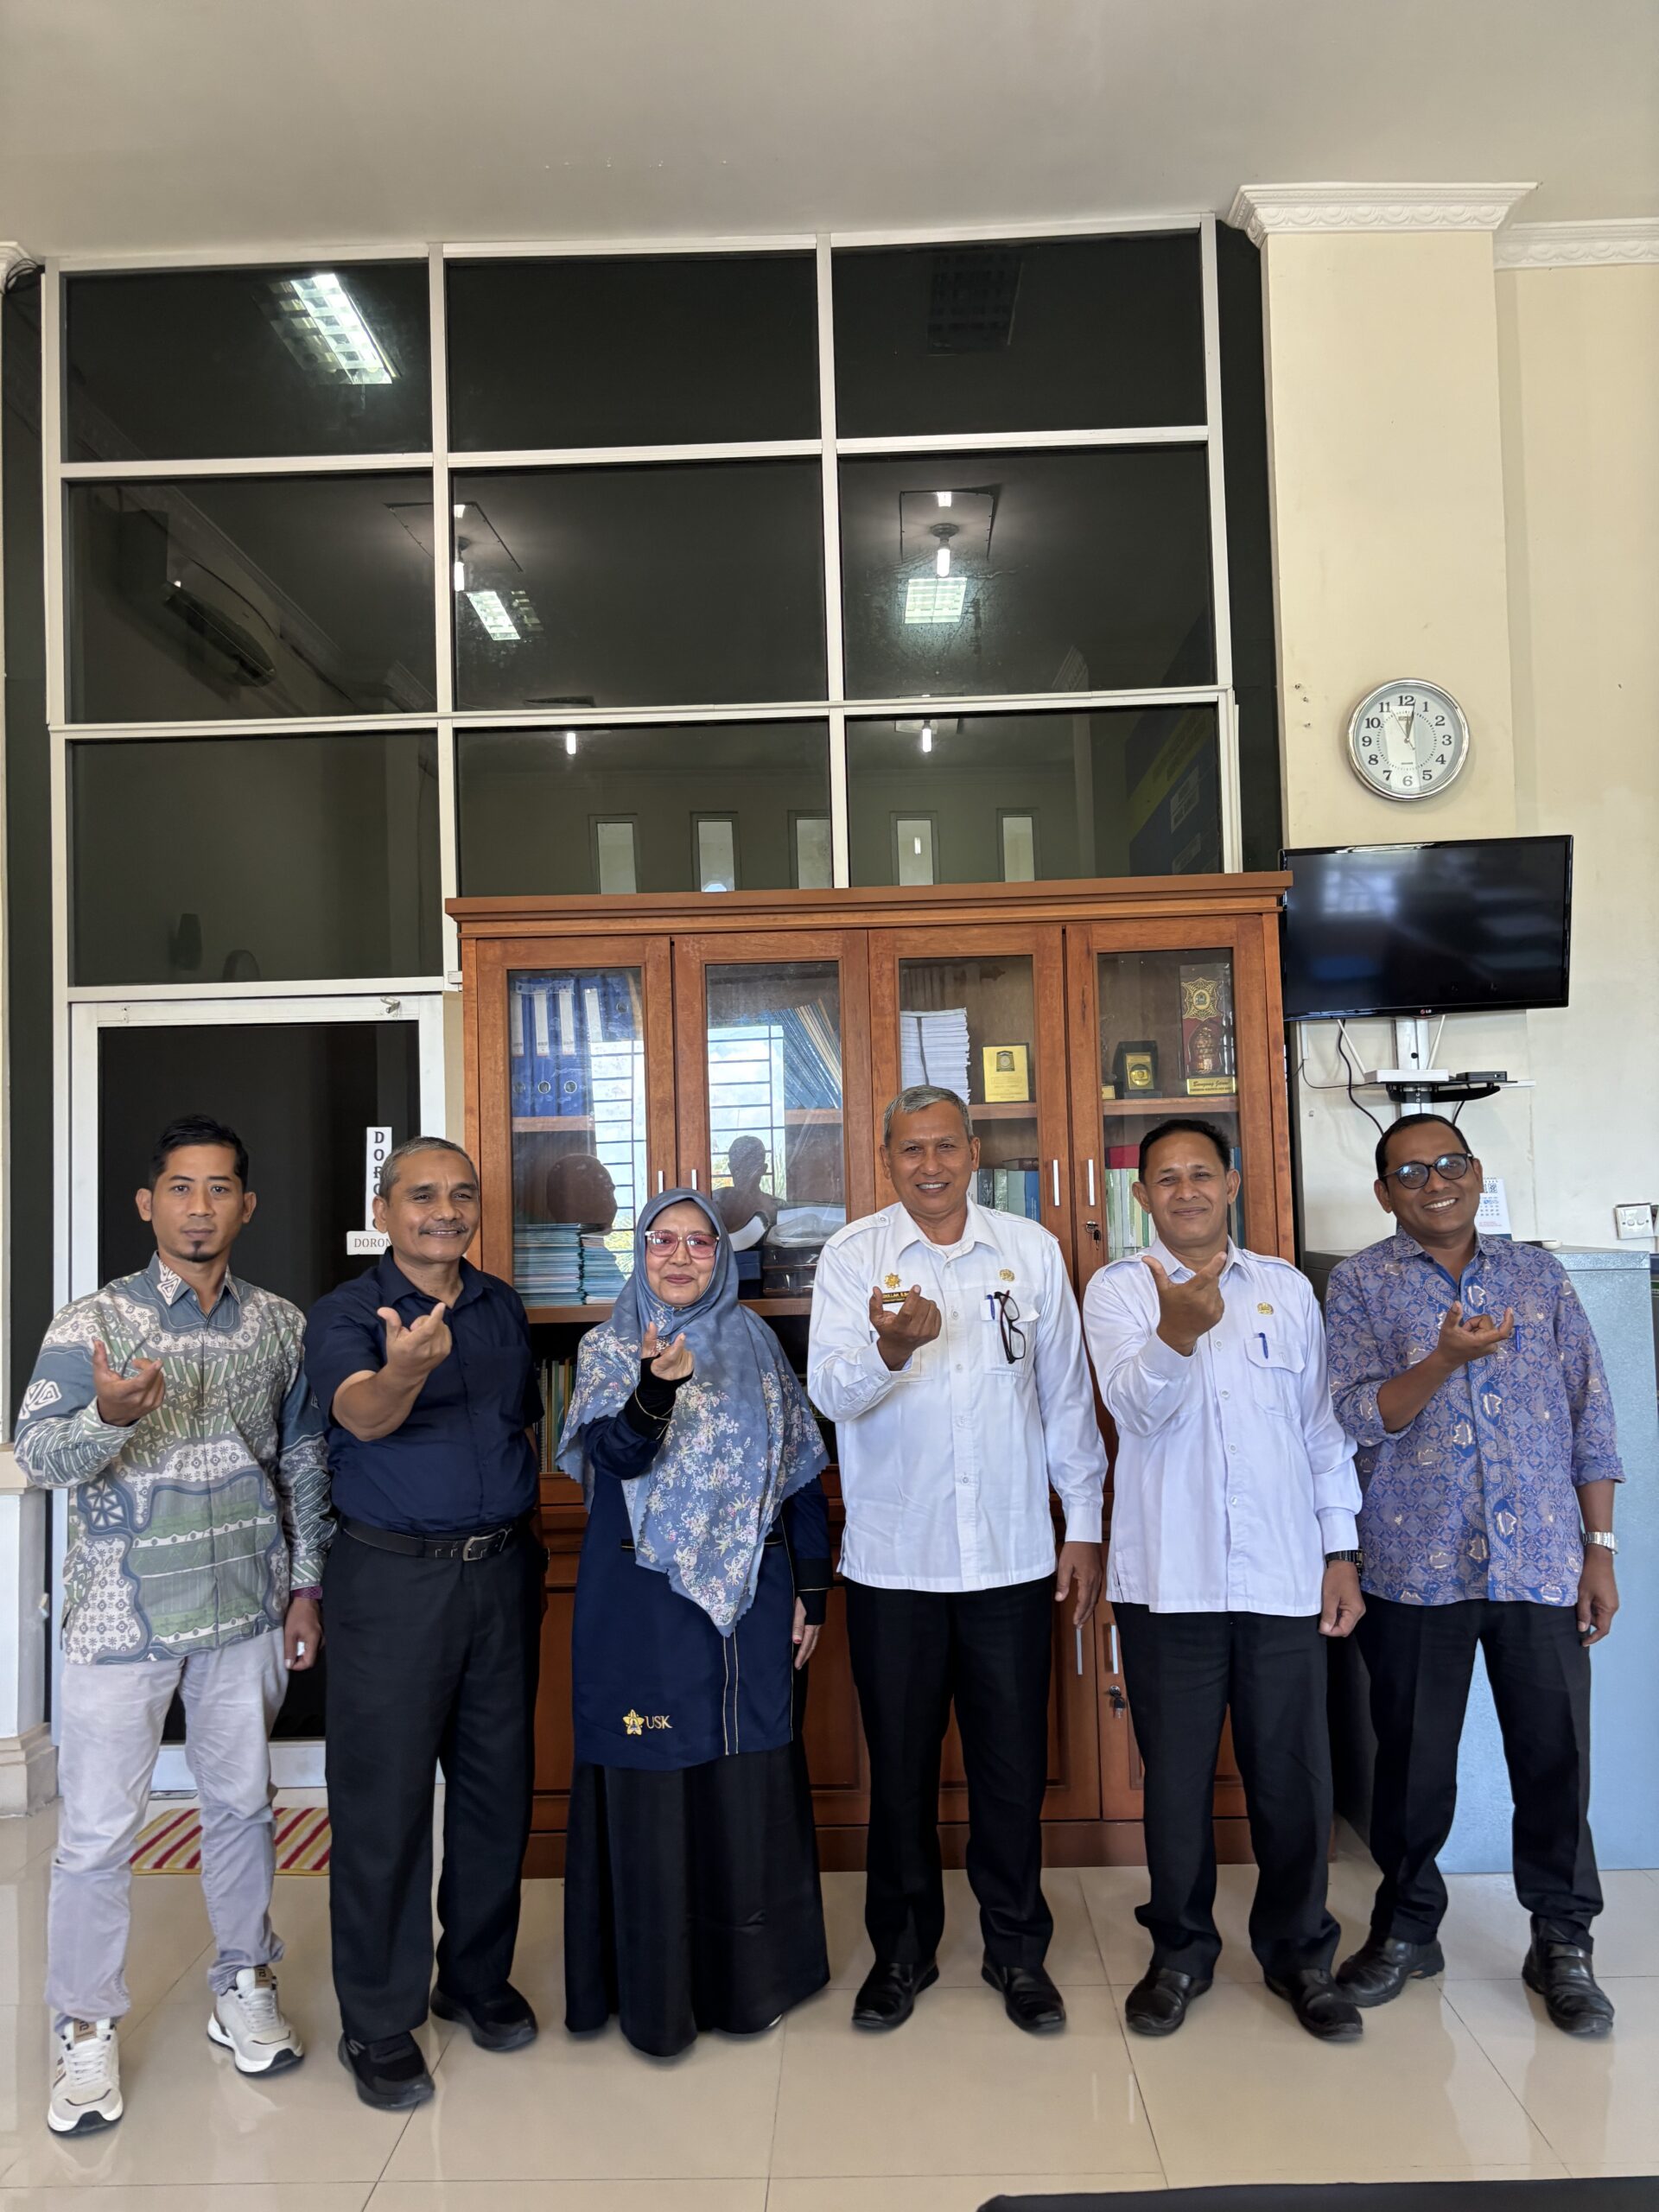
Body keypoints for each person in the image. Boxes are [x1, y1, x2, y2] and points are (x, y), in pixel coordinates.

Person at [16, 1115, 327, 2134]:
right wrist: (107, 1414)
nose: (201, 1207)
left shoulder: (279, 1324)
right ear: (147, 1203)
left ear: (247, 1204)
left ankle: (244, 1978)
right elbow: (40, 1458)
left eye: (220, 1187)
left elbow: (304, 1462)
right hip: (119, 1617)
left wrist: (306, 1586)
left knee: (240, 1807)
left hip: (244, 1606)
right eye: (181, 1188)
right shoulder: (90, 1324)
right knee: (97, 1833)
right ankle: (84, 2024)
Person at [807, 1085, 1106, 2036]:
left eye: (945, 1147)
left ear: (974, 1153)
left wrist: (1084, 1523)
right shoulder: (855, 1256)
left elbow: (1066, 1398)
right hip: (895, 1563)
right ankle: (902, 1953)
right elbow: (830, 1393)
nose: (929, 1166)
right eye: (911, 1150)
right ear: (886, 1159)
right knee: (899, 1774)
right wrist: (891, 1350)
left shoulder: (1030, 1251)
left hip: (1012, 1557)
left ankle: (1017, 1950)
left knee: (1010, 1771)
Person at [1325, 1114, 1624, 2036]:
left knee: (1554, 1758)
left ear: (1478, 1171)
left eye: (1450, 1163)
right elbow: (1357, 1416)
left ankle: (1562, 1940)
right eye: (1412, 1172)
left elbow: (1591, 1414)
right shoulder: (1360, 1283)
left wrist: (1600, 1549)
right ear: (1385, 1192)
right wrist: (1443, 1358)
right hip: (1413, 1564)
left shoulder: (1539, 1277)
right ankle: (1409, 1929)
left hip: (1541, 1561)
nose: (1436, 1182)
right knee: (1413, 1766)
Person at [1082, 1117, 1365, 2043]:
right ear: (1142, 1197)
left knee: (1294, 1780)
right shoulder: (1119, 1289)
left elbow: (1321, 1430)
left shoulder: (1285, 1288)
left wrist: (1340, 1552)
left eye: (1201, 1173)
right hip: (1171, 1582)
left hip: (1284, 1574)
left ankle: (1300, 1954)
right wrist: (1176, 1332)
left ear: (1232, 1184)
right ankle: (1180, 1953)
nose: (1186, 1191)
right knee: (1175, 1782)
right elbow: (1133, 1411)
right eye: (1166, 1178)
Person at [556, 1189, 832, 2056]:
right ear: (639, 1252)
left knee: (741, 1775)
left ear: (723, 1257)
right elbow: (614, 1453)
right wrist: (654, 1387)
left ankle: (752, 1984)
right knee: (656, 1773)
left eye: (700, 1243)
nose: (680, 1257)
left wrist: (813, 1588)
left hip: (751, 1600)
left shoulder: (754, 1344)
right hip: (642, 1604)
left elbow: (798, 1474)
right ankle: (659, 1996)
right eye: (662, 1240)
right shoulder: (608, 1346)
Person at [304, 1135, 545, 2110]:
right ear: (384, 1210)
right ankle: (377, 2017)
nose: (445, 1210)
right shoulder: (346, 1314)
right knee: (385, 1804)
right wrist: (402, 1369)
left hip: (502, 1575)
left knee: (496, 1789)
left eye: (462, 1194)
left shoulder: (502, 1305)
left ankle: (474, 1977)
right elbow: (361, 1414)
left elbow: (518, 1423)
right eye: (422, 1195)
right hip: (393, 1582)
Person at [716, 1134, 779, 1245]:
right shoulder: (716, 1203)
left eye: (751, 1168)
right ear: (731, 1169)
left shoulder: (777, 1207)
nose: (744, 1174)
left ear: (763, 1169)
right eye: (738, 1168)